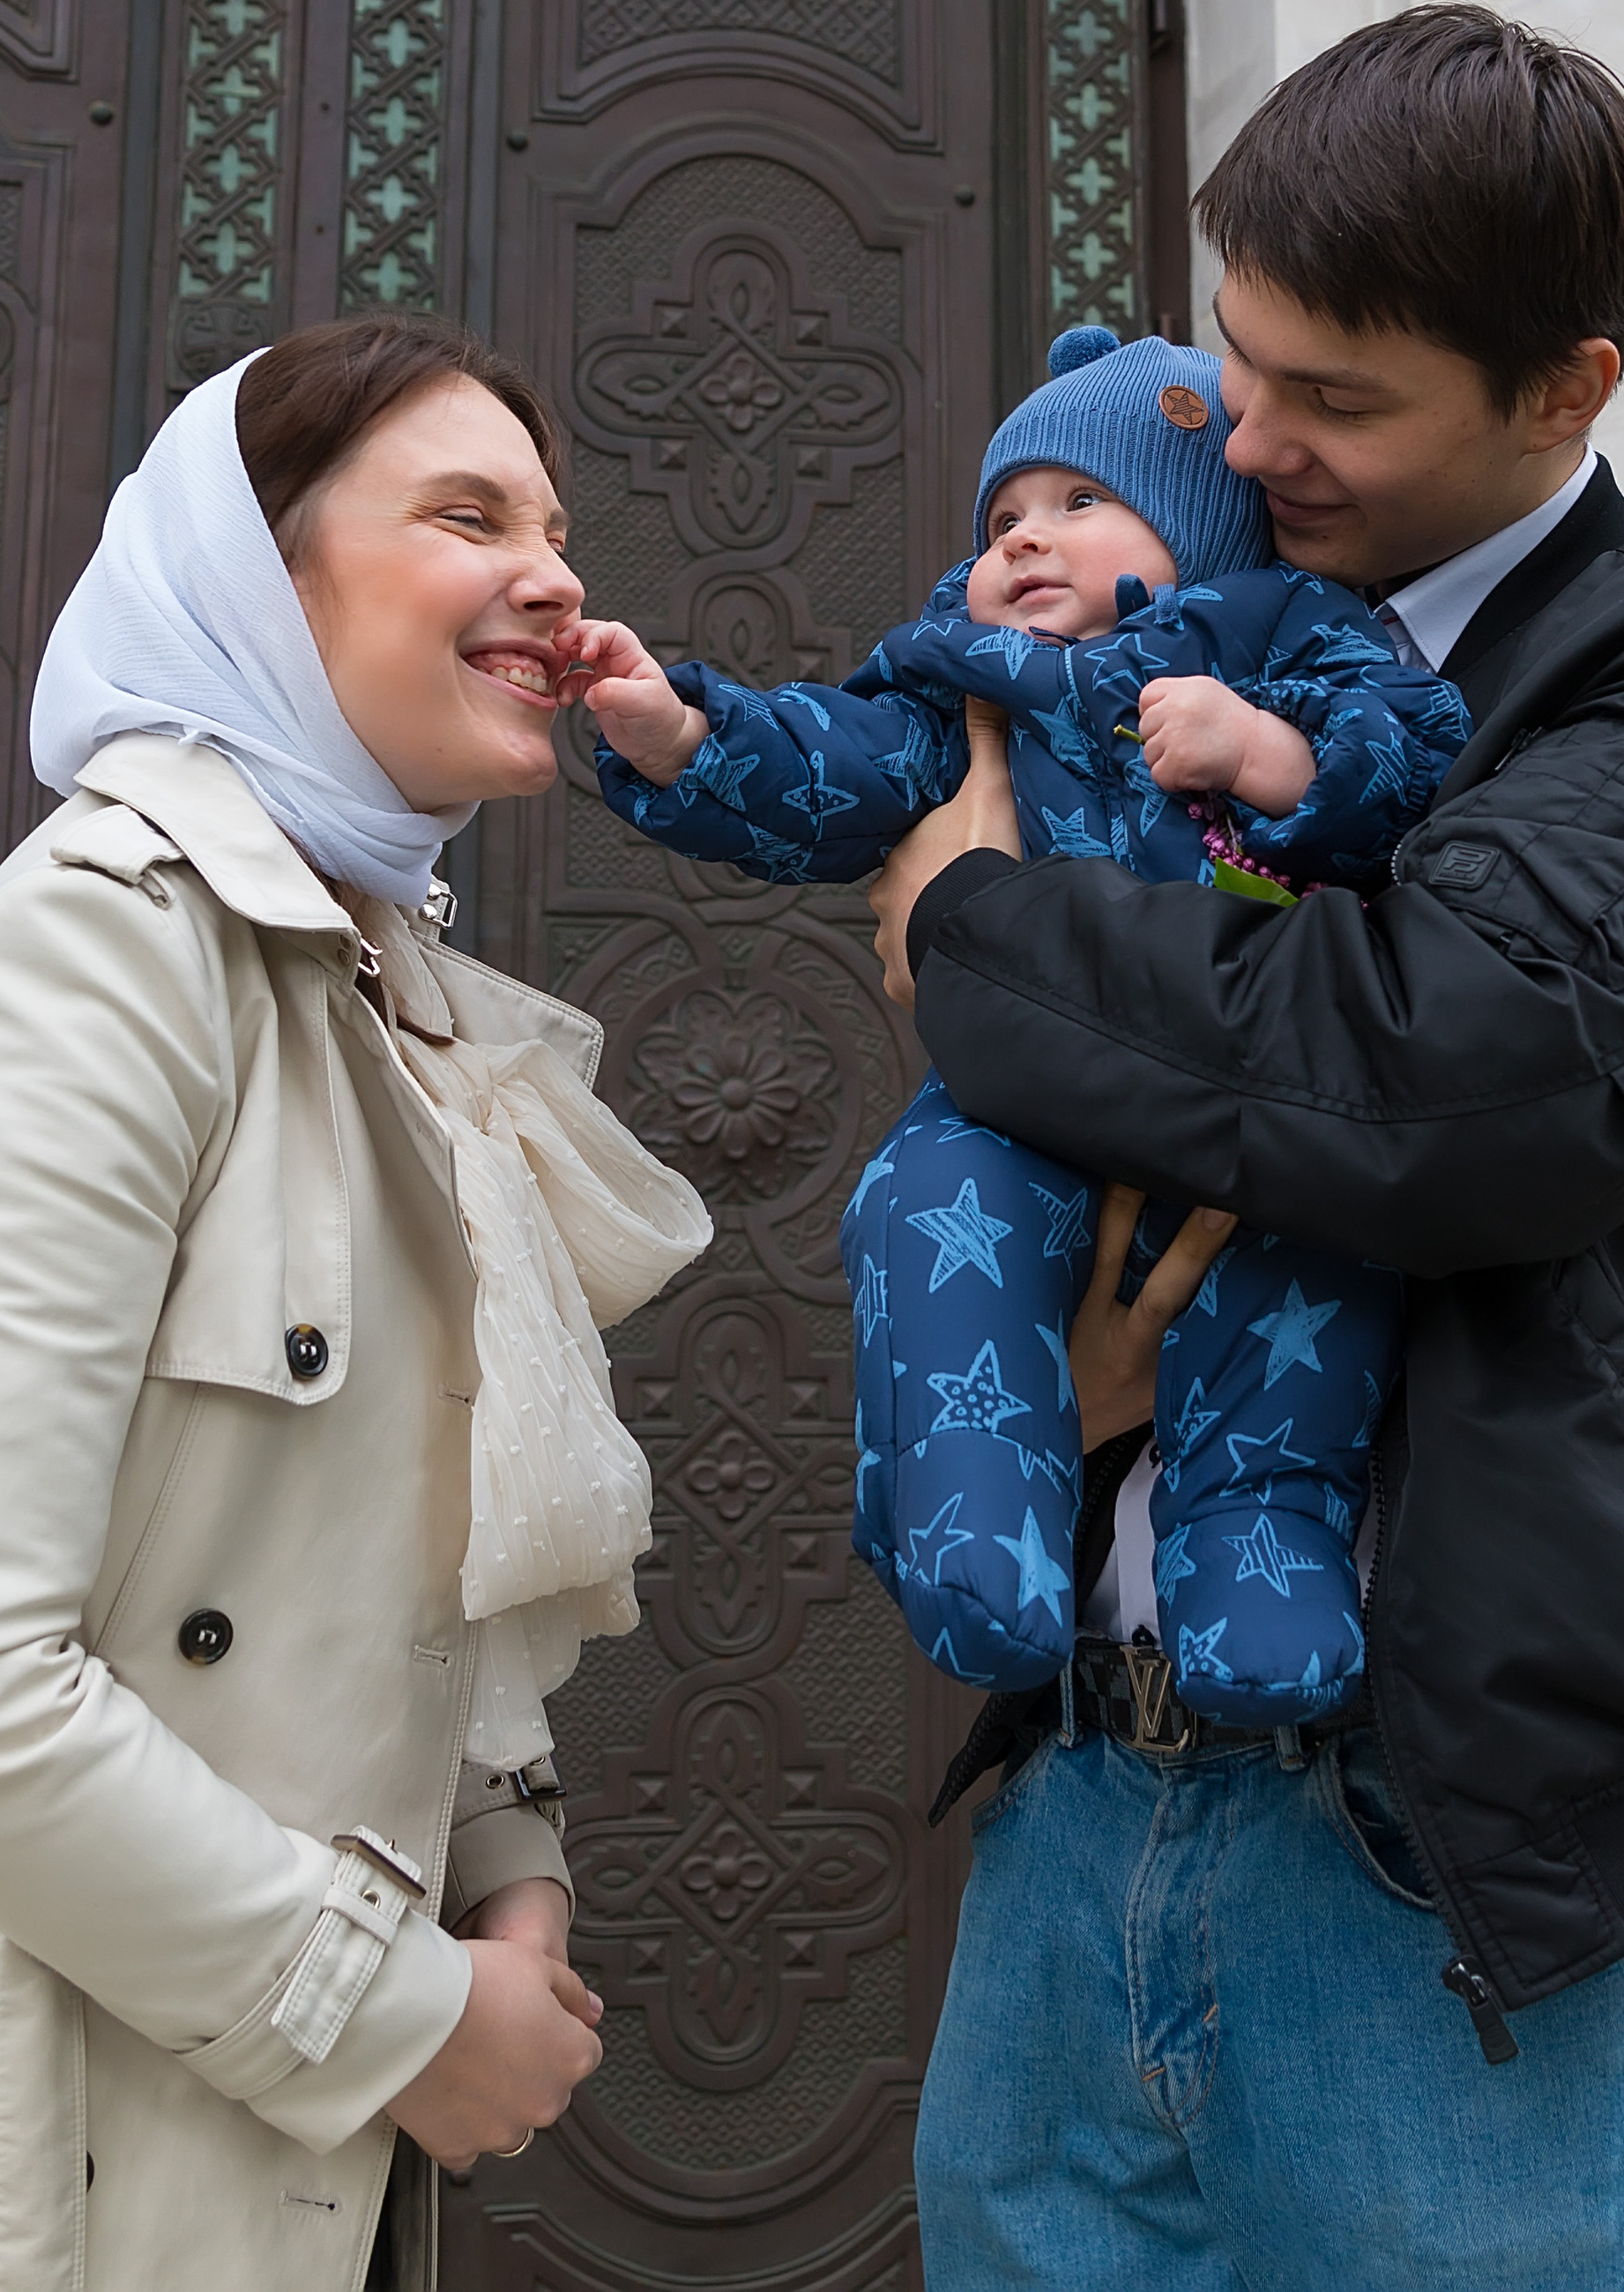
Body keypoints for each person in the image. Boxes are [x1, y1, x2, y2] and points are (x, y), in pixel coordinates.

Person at [869, 8, 1624, 2292]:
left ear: (1569, 390)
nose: (1251, 441)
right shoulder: (1169, 623)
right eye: (1239, 369)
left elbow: (1436, 1073)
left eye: (1337, 400)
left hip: (1440, 1872)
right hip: (1075, 1801)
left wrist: (967, 927)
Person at [0, 318, 711, 2292]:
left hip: (282, 2163)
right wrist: (396, 2022)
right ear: (260, 570)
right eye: (467, 515)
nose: (557, 572)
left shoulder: (366, 991)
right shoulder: (102, 959)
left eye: (561, 526)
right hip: (46, 2163)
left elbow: (396, 1573)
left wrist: (511, 1880)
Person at [558, 327, 1467, 1721]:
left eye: (1081, 505)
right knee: (924, 1208)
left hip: (1258, 1100)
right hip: (1023, 1113)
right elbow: (838, 767)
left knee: (1313, 1288)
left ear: (1204, 532)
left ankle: (1259, 1538)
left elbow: (1416, 752)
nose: (1029, 540)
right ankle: (981, 1514)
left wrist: (1266, 753)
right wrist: (681, 737)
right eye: (1004, 520)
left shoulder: (1287, 637)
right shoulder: (962, 687)